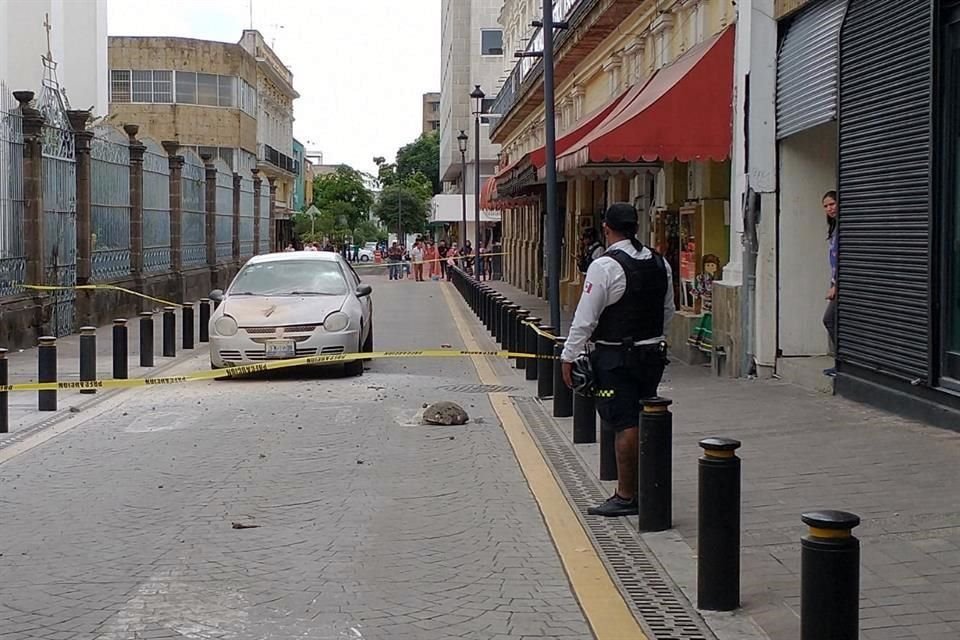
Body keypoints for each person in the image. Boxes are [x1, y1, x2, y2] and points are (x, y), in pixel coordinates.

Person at [561, 202, 674, 517]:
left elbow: (586, 317)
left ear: (607, 228)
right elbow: (668, 309)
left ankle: (626, 495)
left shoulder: (605, 266)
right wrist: (653, 339)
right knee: (647, 414)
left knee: (623, 420)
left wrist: (568, 355)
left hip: (615, 358)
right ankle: (648, 485)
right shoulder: (659, 262)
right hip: (652, 355)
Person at [822, 190, 839, 377]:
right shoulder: (834, 228)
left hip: (840, 285)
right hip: (835, 281)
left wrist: (836, 286)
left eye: (832, 204)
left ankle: (842, 362)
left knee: (829, 319)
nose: (829, 209)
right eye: (826, 206)